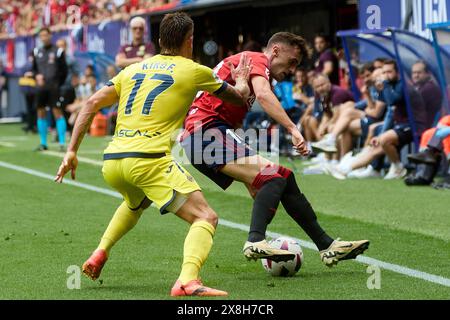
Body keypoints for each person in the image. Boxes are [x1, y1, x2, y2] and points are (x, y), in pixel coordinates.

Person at [55, 12, 253, 297]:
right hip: (147, 161)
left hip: (113, 162)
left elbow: (92, 102)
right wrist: (244, 82)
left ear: (159, 41)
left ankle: (101, 251)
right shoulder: (194, 70)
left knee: (137, 201)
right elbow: (238, 98)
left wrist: (72, 151)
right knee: (205, 217)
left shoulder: (133, 69)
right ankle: (187, 281)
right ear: (190, 41)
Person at [181, 32, 369, 267]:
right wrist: (293, 128)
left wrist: (249, 167)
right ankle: (255, 241)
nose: (292, 70)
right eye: (292, 62)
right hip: (205, 133)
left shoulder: (251, 70)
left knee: (284, 177)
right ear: (276, 50)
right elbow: (263, 95)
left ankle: (326, 245)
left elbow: (234, 117)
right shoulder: (257, 60)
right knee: (274, 177)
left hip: (207, 135)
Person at [32, 27, 68, 151]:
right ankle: (43, 143)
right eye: (41, 36)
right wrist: (36, 76)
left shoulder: (58, 51)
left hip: (54, 87)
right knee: (40, 112)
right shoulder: (37, 51)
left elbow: (64, 70)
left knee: (57, 112)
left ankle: (62, 142)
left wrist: (57, 83)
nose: (44, 38)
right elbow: (34, 69)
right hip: (41, 88)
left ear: (50, 36)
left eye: (46, 35)